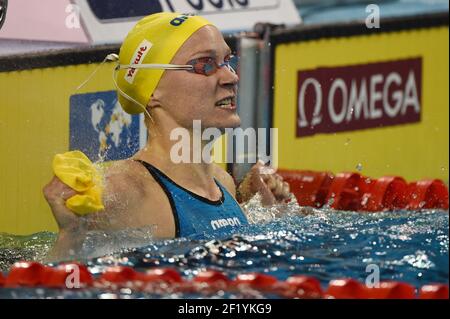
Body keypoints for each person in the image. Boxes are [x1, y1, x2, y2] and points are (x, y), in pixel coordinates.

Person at [43, 12, 291, 260]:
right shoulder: (126, 191)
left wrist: (266, 211)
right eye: (205, 65)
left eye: (227, 61)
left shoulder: (221, 181)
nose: (231, 77)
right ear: (151, 91)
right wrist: (72, 235)